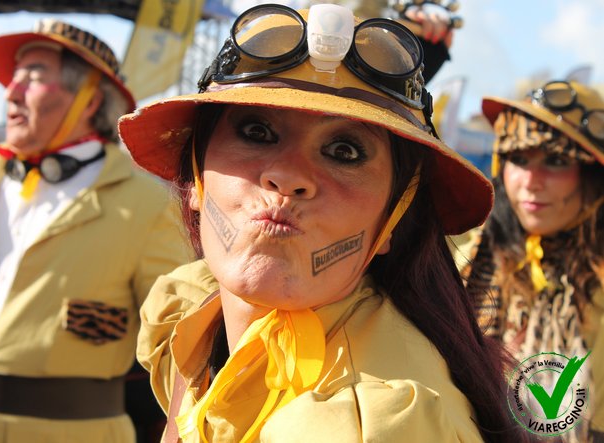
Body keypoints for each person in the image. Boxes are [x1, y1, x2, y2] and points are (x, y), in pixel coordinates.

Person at [119, 4, 529, 442]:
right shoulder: (187, 313)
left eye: (344, 152)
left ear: (393, 217)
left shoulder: (369, 424)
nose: (287, 176)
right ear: (195, 178)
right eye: (257, 132)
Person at [0, 19, 192, 443]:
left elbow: (183, 343)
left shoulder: (148, 204)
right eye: (14, 77)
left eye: (34, 76)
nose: (10, 92)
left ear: (90, 101)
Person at [461, 80, 604, 441]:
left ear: (594, 175)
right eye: (518, 159)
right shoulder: (469, 258)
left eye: (556, 161)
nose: (530, 181)